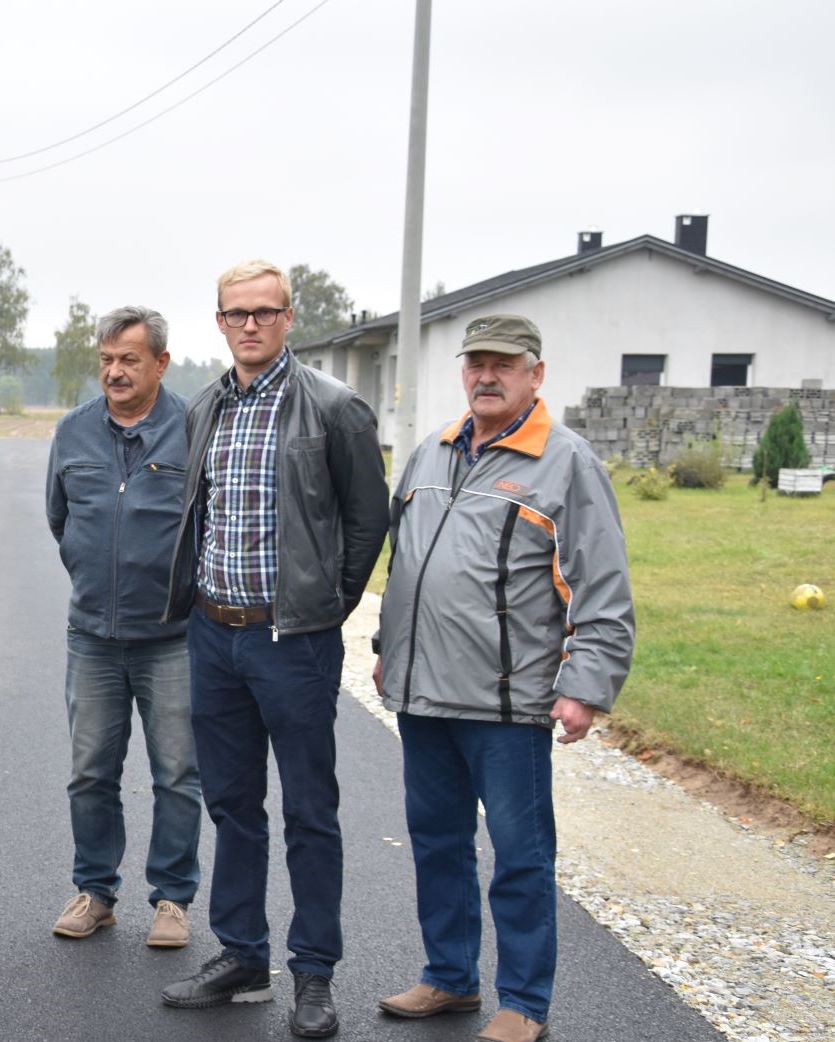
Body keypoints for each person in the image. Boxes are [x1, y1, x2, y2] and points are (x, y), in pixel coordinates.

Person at [372, 316, 634, 1042]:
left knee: (519, 857)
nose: (485, 376)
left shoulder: (566, 463)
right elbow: (407, 567)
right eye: (475, 363)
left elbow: (600, 585)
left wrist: (585, 683)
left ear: (535, 374)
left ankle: (523, 1003)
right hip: (422, 693)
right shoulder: (430, 451)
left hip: (506, 704)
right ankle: (448, 979)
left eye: (503, 364)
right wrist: (385, 642)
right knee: (436, 842)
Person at [160, 260, 389, 1038]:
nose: (249, 325)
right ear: (219, 322)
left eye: (263, 312)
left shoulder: (333, 407)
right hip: (212, 633)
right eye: (235, 314)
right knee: (229, 804)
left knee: (309, 810)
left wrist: (327, 606)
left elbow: (366, 522)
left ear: (289, 317)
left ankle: (313, 972)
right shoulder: (205, 407)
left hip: (292, 642)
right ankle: (241, 956)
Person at [44, 305, 201, 948]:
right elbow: (62, 521)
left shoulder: (194, 429)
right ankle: (95, 891)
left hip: (173, 639)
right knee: (90, 773)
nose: (115, 371)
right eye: (106, 360)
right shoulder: (74, 431)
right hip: (93, 638)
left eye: (129, 360)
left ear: (160, 363)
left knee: (177, 774)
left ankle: (171, 899)